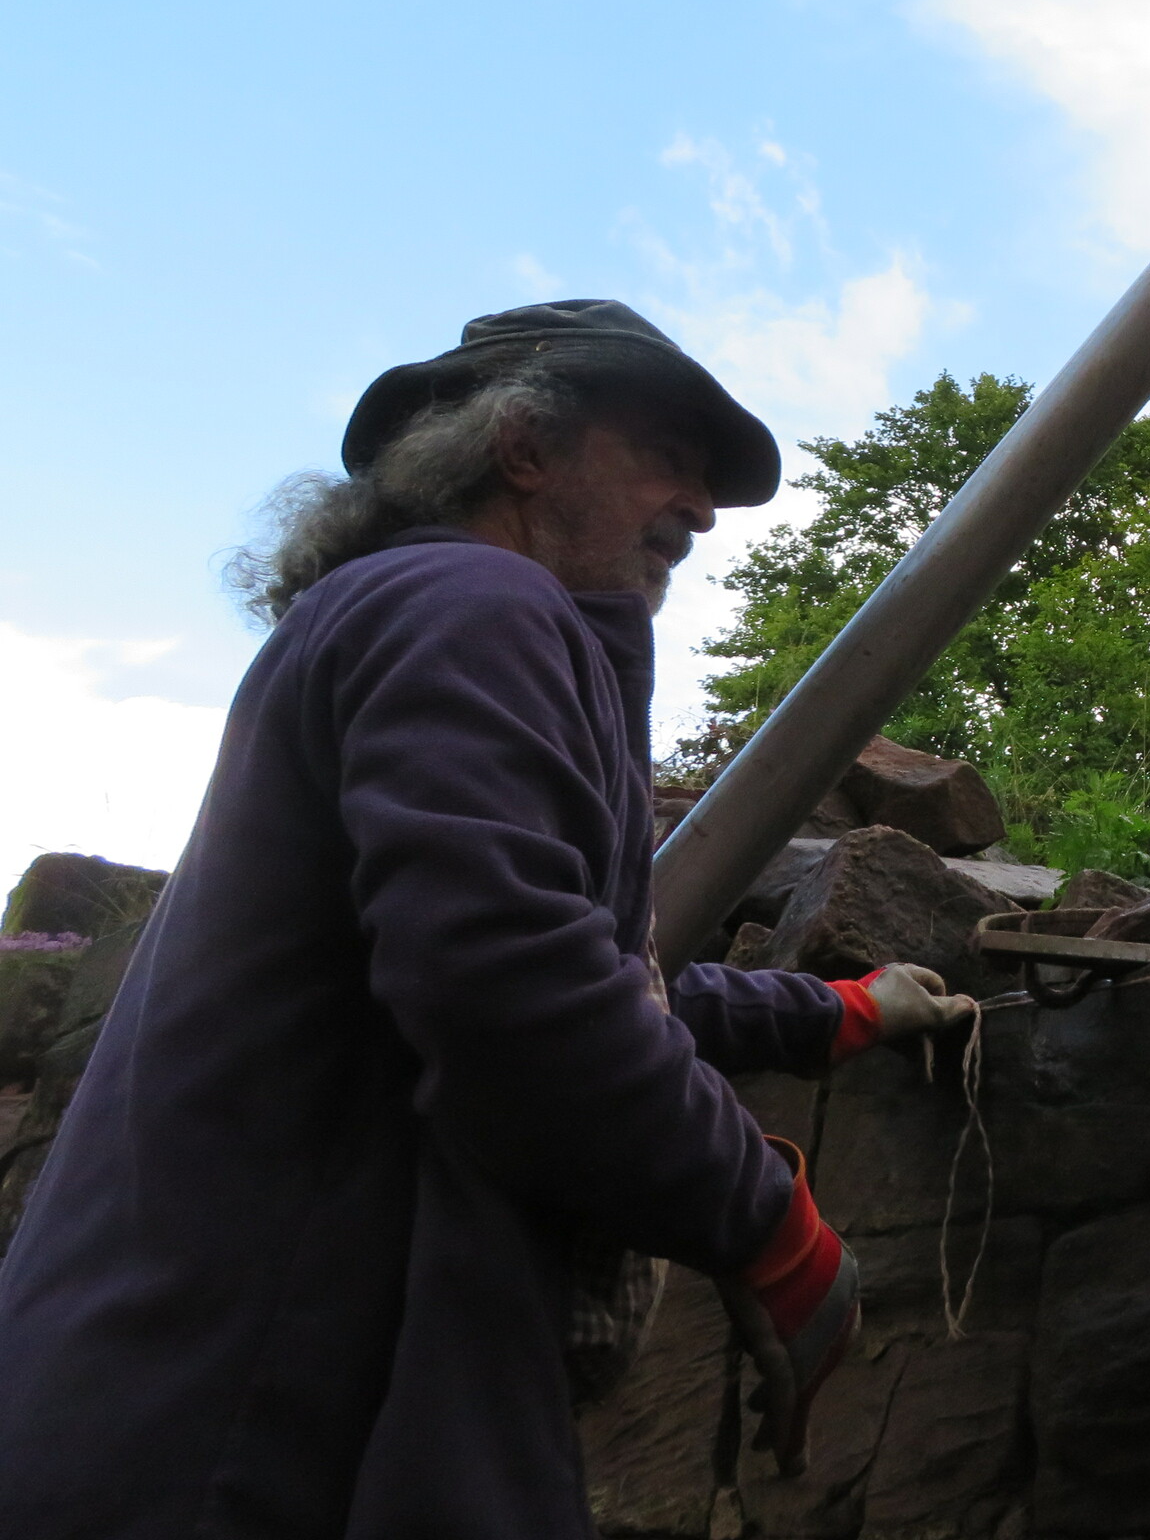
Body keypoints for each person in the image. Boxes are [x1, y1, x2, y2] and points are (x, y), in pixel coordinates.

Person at [0, 300, 975, 1538]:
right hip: (249, 1443)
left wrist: (833, 1011)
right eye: (667, 455)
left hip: (181, 1410)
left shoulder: (424, 614)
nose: (703, 509)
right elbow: (514, 993)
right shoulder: (474, 602)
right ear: (523, 446)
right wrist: (773, 1230)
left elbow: (562, 963)